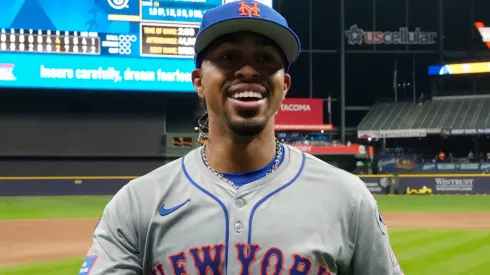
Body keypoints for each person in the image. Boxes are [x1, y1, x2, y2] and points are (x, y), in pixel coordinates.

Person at [79, 1, 404, 274]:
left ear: (285, 86)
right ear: (198, 81)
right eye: (228, 57)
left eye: (266, 59)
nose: (248, 70)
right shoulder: (137, 204)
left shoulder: (347, 198)